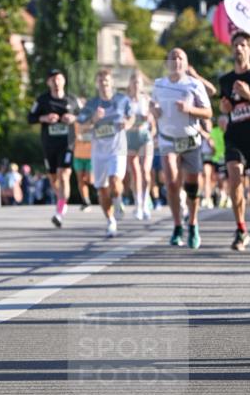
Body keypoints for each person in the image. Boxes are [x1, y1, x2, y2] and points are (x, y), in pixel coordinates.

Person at [150, 48, 212, 249]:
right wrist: (154, 111)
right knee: (171, 182)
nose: (176, 60)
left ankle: (193, 224)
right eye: (172, 57)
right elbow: (153, 105)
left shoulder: (194, 84)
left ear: (185, 63)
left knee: (192, 187)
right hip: (168, 140)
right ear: (167, 62)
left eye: (180, 57)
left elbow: (208, 112)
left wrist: (189, 110)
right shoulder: (159, 84)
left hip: (191, 140)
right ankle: (177, 226)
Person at [218, 31, 250, 254]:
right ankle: (240, 228)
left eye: (243, 45)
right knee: (235, 179)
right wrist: (224, 110)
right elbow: (225, 109)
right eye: (235, 45)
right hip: (235, 138)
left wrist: (249, 94)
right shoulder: (225, 81)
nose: (239, 48)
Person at [78, 69, 134, 237]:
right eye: (101, 82)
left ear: (112, 83)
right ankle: (110, 221)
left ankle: (118, 201)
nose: (104, 85)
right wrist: (94, 119)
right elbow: (81, 128)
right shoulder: (91, 104)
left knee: (115, 181)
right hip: (98, 151)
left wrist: (127, 124)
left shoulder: (122, 100)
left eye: (107, 82)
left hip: (117, 148)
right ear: (97, 84)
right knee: (102, 189)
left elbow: (131, 117)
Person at [28, 68, 80, 227]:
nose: (56, 82)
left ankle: (60, 211)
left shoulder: (72, 100)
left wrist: (73, 118)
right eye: (53, 80)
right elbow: (30, 117)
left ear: (64, 81)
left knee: (64, 174)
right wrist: (44, 118)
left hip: (67, 143)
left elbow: (84, 116)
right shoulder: (42, 100)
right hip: (49, 144)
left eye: (59, 79)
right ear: (48, 83)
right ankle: (61, 200)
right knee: (53, 179)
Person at [126, 71, 155, 220]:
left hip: (145, 137)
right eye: (134, 82)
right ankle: (138, 203)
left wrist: (149, 118)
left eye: (139, 82)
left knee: (145, 171)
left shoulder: (146, 100)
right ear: (130, 84)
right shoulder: (125, 101)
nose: (136, 85)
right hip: (130, 137)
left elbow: (153, 119)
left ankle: (145, 202)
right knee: (135, 173)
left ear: (142, 85)